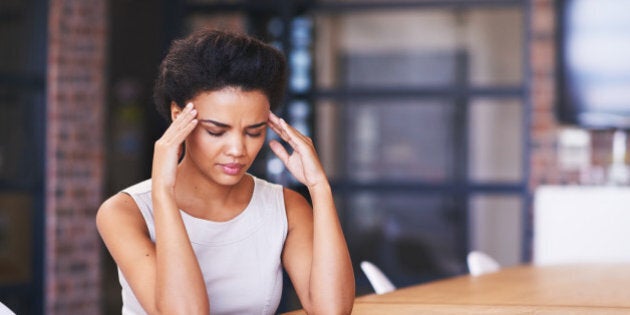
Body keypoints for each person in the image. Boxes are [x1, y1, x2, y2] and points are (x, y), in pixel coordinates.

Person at [96, 29, 355, 314]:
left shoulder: (286, 208)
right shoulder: (125, 212)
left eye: (254, 132)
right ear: (178, 117)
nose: (237, 149)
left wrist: (320, 187)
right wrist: (163, 193)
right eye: (216, 131)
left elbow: (332, 311)